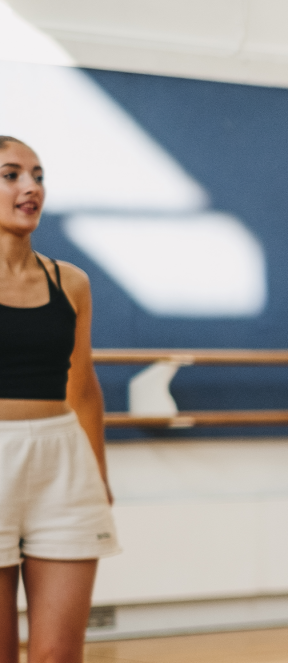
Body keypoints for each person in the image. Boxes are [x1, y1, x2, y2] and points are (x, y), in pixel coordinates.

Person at [0, 135, 119, 663]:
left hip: (63, 467)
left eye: (38, 176)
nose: (31, 187)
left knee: (58, 656)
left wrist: (98, 474)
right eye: (11, 175)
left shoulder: (70, 282)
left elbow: (83, 385)